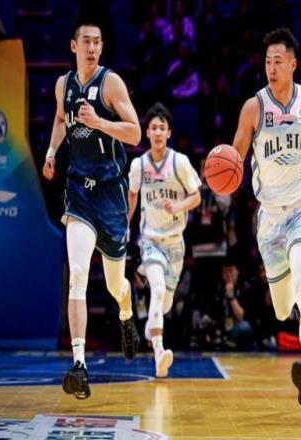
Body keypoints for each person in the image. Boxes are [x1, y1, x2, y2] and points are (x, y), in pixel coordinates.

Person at [232, 28, 301, 407]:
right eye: (267, 62)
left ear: (293, 64)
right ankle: (294, 307)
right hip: (269, 221)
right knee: (282, 309)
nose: (272, 68)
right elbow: (234, 159)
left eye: (278, 61)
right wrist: (223, 174)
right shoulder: (254, 107)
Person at [42, 20, 142, 399]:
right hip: (79, 192)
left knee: (116, 286)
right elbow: (59, 118)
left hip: (111, 194)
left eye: (98, 42)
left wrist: (100, 122)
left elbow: (135, 132)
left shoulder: (111, 83)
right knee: (79, 274)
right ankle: (80, 365)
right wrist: (52, 152)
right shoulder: (63, 85)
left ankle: (126, 315)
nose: (93, 48)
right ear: (73, 45)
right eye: (86, 41)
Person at [127, 102, 201, 377]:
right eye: (153, 128)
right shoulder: (138, 165)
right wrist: (124, 225)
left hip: (175, 244)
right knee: (157, 290)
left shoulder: (179, 162)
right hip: (150, 241)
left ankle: (152, 329)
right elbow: (132, 196)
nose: (158, 132)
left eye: (162, 128)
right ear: (147, 132)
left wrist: (178, 206)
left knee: (165, 304)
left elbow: (196, 196)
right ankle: (159, 352)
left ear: (169, 133)